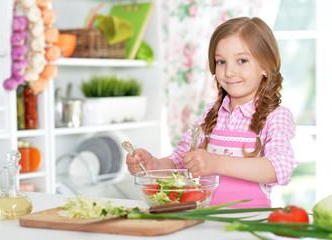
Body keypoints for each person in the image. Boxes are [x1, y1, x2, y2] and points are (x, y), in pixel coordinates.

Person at [126, 17, 297, 208]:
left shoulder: (275, 116)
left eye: (242, 60)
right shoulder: (210, 113)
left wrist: (215, 163)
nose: (229, 71)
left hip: (250, 222)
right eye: (221, 61)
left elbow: (279, 167)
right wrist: (154, 165)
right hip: (205, 217)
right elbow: (181, 160)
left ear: (265, 67)